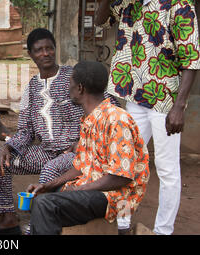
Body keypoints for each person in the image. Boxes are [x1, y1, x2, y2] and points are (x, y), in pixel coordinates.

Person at [94, 0, 199, 235]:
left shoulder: (178, 3)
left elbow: (191, 60)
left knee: (166, 170)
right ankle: (125, 223)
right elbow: (100, 22)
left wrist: (180, 107)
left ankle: (163, 231)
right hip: (133, 97)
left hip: (164, 100)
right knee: (128, 165)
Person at [0, 29, 119, 235]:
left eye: (49, 49)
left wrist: (83, 139)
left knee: (51, 170)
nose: (45, 54)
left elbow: (107, 103)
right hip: (45, 151)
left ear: (55, 50)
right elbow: (26, 130)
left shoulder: (75, 77)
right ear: (31, 55)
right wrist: (8, 146)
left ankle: (39, 226)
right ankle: (8, 218)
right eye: (39, 50)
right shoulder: (31, 88)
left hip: (76, 154)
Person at [27, 61, 149, 235]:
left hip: (117, 197)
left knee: (46, 205)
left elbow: (121, 178)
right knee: (42, 198)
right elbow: (80, 166)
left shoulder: (116, 119)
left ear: (80, 89)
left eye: (70, 84)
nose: (68, 88)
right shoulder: (90, 119)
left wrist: (78, 189)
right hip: (96, 189)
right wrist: (48, 185)